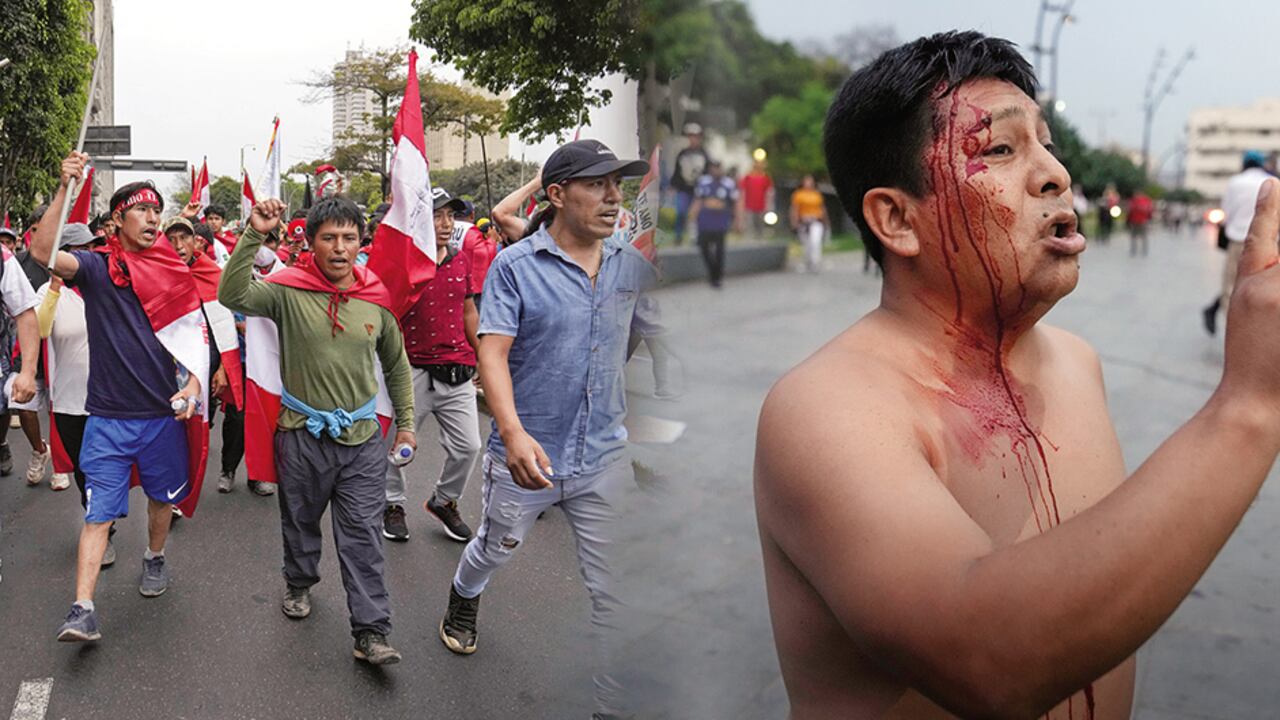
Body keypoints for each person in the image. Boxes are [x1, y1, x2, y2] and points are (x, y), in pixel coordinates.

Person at [755, 30, 1280, 719]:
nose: (1056, 174)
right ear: (895, 218)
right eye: (1001, 149)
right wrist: (1250, 406)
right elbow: (989, 659)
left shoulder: (1076, 361)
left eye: (1048, 145)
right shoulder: (826, 409)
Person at [437, 139, 655, 718]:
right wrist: (510, 432)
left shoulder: (631, 266)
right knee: (495, 548)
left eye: (618, 185)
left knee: (616, 591)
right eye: (598, 185)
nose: (613, 197)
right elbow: (493, 353)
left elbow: (657, 331)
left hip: (606, 457)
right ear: (556, 196)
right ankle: (464, 593)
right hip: (528, 458)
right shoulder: (515, 266)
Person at [219, 195, 415, 666]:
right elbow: (232, 295)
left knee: (362, 536)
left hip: (362, 441)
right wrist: (255, 231)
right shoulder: (288, 290)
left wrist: (406, 425)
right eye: (329, 237)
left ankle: (371, 631)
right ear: (311, 243)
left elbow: (397, 365)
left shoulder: (376, 298)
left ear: (361, 242)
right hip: (301, 437)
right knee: (301, 522)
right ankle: (300, 580)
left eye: (350, 237)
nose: (341, 247)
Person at [32, 153, 206, 643]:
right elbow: (44, 252)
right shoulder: (96, 267)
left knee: (159, 501)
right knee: (97, 513)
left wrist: (192, 385)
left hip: (160, 418)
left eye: (157, 209)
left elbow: (196, 339)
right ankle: (82, 608)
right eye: (141, 210)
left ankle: (154, 558)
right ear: (117, 220)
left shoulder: (174, 270)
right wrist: (64, 186)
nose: (153, 218)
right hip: (106, 419)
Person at [381, 187, 481, 544]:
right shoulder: (402, 262)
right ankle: (392, 504)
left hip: (457, 370)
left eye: (451, 216)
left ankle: (443, 500)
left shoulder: (460, 259)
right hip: (410, 370)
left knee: (469, 447)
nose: (445, 223)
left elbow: (468, 310)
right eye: (437, 215)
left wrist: (481, 354)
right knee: (396, 448)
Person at [35, 224, 102, 554]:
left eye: (91, 248)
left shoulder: (105, 286)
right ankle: (94, 516)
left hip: (107, 399)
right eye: (79, 249)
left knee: (102, 469)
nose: (87, 255)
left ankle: (104, 529)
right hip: (70, 401)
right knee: (82, 470)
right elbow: (41, 329)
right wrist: (55, 288)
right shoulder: (48, 293)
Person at [1203, 150, 1272, 335]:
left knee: (1230, 288)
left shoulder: (1236, 182)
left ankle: (1233, 333)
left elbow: (1226, 214)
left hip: (1239, 242)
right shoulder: (1273, 183)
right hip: (1268, 245)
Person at [689, 159, 740, 287]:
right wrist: (692, 216)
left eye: (718, 168)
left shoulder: (728, 184)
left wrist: (737, 220)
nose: (716, 171)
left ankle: (717, 276)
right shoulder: (703, 182)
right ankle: (712, 271)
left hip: (720, 222)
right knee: (704, 248)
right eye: (714, 168)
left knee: (719, 250)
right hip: (705, 221)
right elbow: (698, 200)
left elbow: (735, 202)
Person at [670, 123, 709, 246]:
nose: (693, 139)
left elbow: (707, 172)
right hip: (684, 188)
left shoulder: (704, 154)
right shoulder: (683, 154)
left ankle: (698, 238)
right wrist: (673, 185)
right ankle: (678, 236)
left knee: (698, 214)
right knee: (681, 212)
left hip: (699, 190)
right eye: (691, 136)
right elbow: (677, 171)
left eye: (696, 136)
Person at [790, 175, 830, 273]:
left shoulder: (817, 194)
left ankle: (816, 262)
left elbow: (822, 208)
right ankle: (808, 261)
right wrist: (794, 222)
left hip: (816, 221)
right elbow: (795, 209)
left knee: (815, 241)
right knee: (806, 244)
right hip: (804, 222)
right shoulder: (798, 194)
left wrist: (826, 222)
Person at [740, 159, 775, 239]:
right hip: (749, 206)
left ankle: (760, 239)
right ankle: (749, 241)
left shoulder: (765, 177)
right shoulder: (748, 177)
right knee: (750, 225)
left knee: (760, 225)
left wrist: (769, 206)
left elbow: (769, 193)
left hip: (761, 206)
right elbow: (743, 192)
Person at [1126, 190, 1154, 257]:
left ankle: (1134, 250)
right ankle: (1143, 250)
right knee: (1143, 236)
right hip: (1142, 221)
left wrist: (1127, 220)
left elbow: (1129, 211)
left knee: (1134, 237)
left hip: (1135, 221)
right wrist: (1149, 220)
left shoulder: (1133, 201)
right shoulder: (1147, 200)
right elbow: (1150, 211)